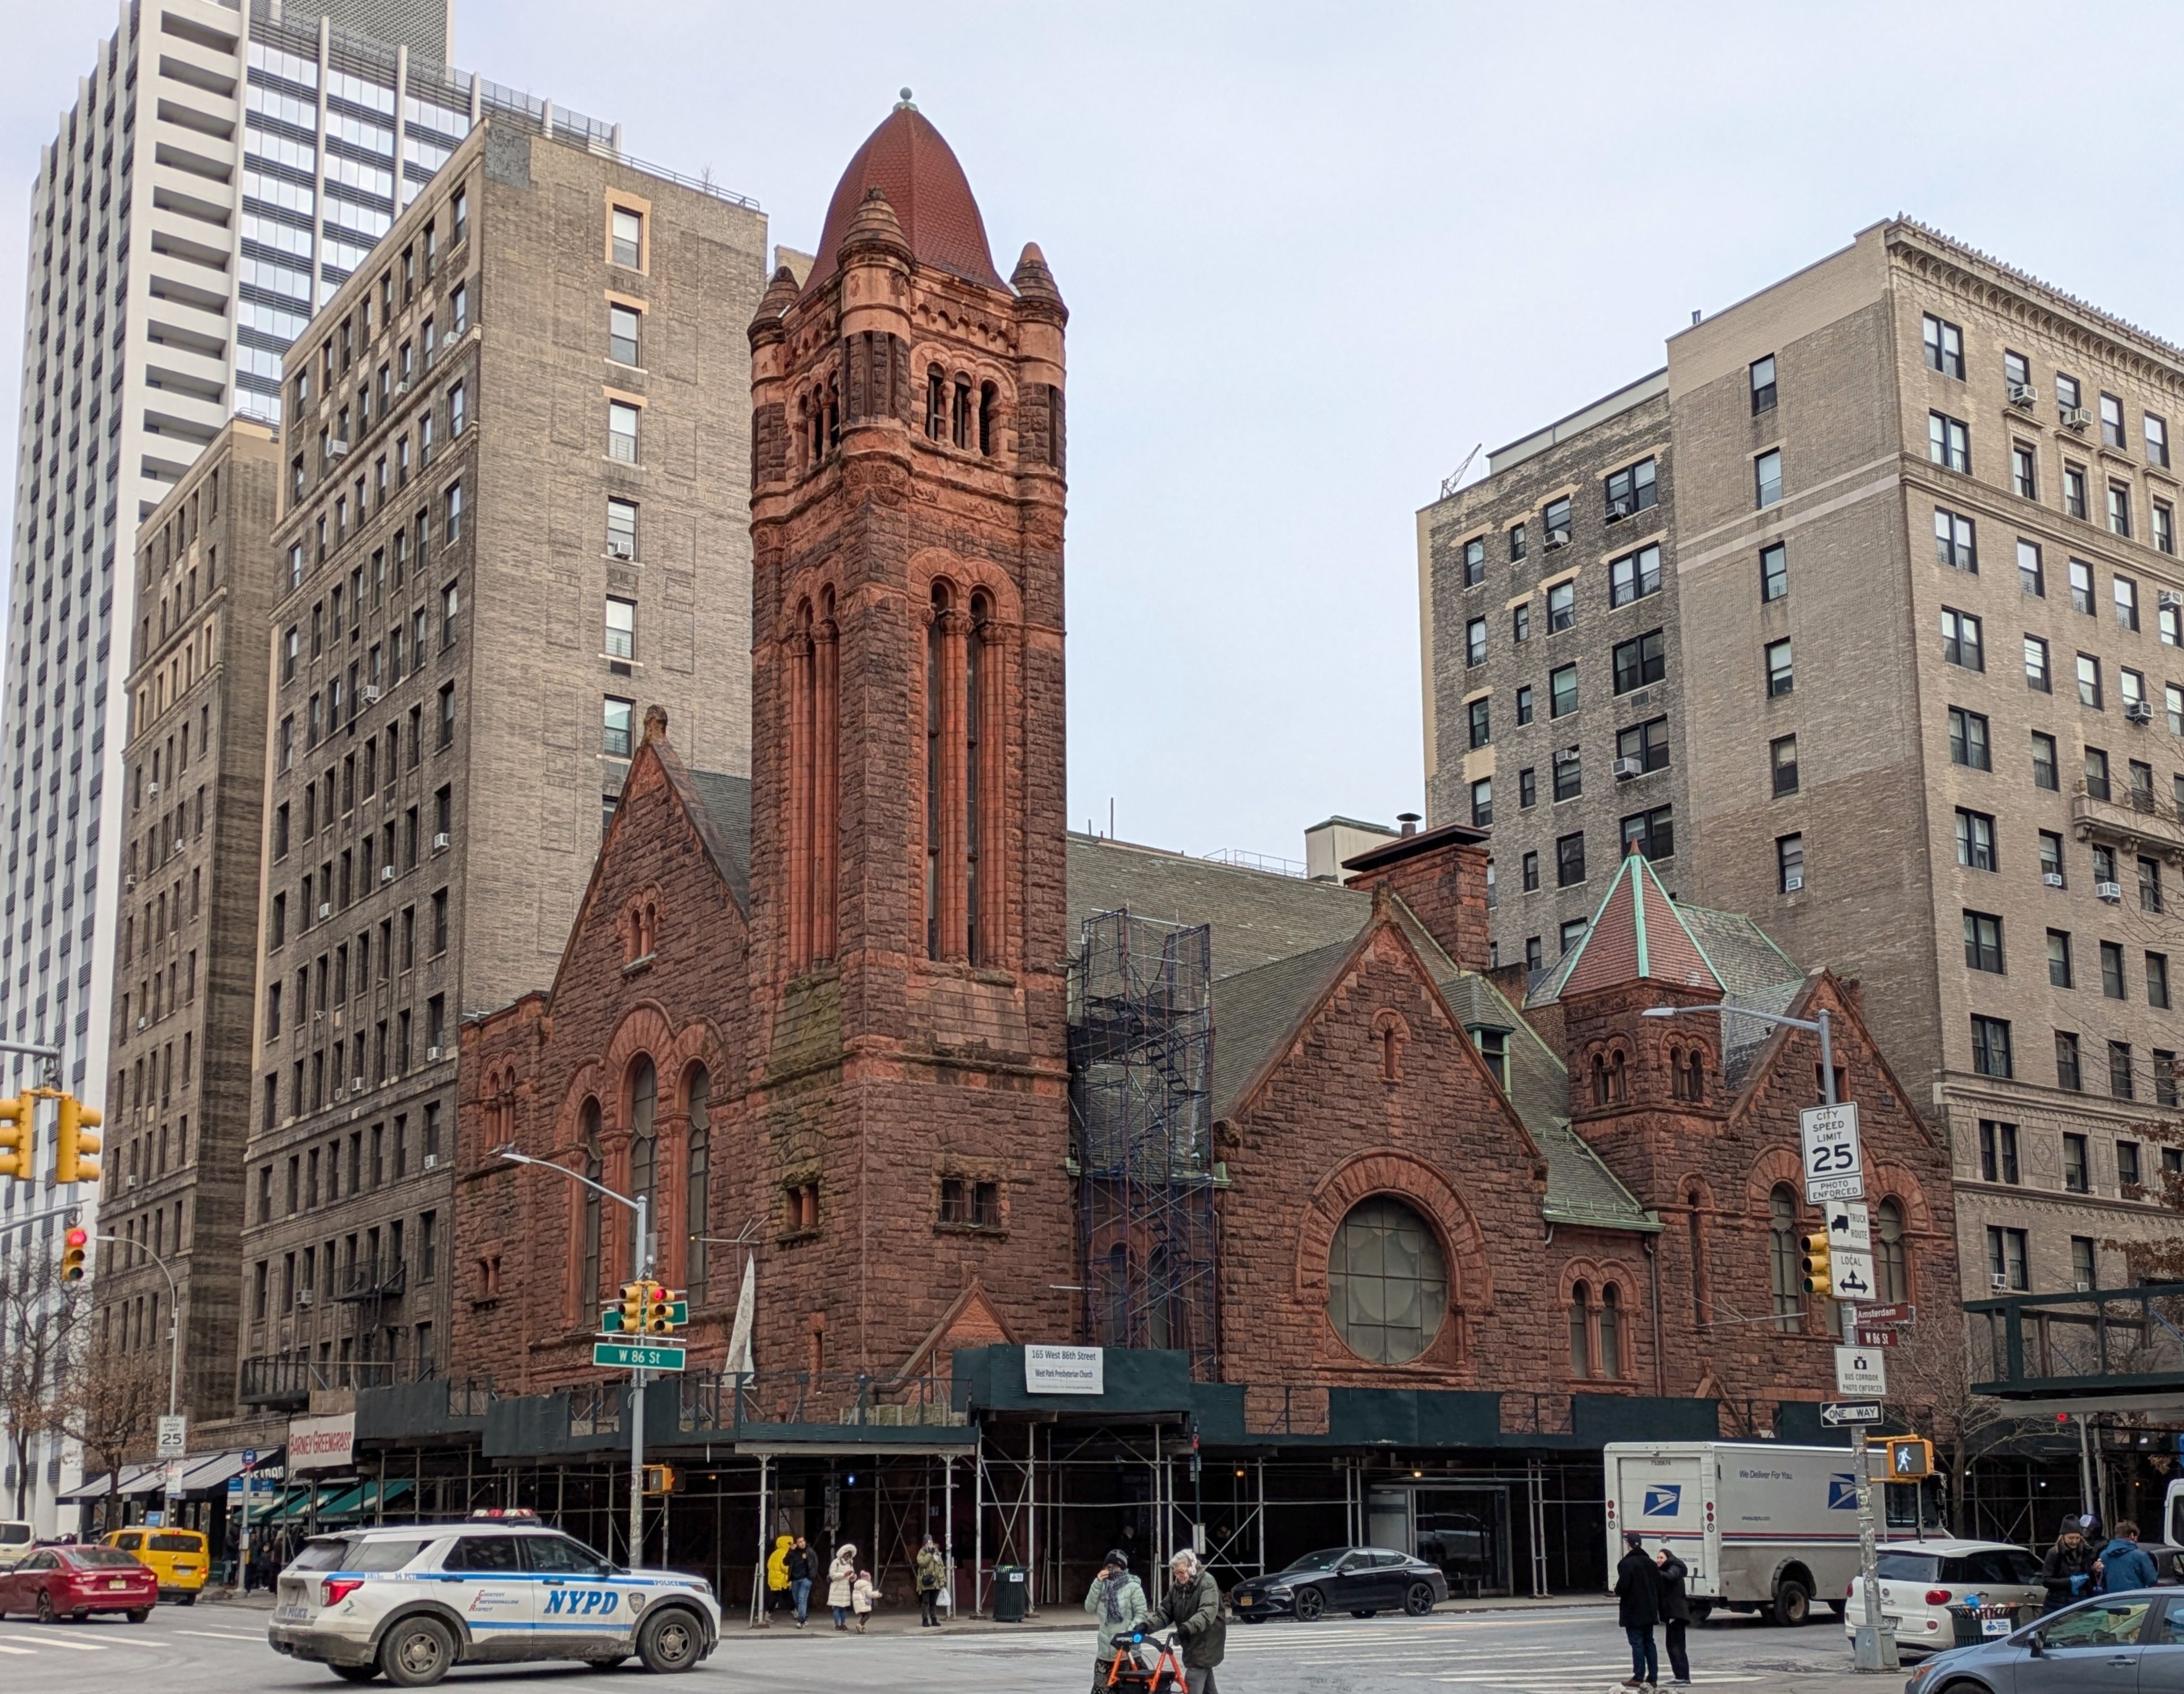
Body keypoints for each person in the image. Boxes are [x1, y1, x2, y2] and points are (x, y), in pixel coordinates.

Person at [1158, 1549, 1225, 1693]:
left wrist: (1186, 1629)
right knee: (1207, 1687)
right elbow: (1164, 1613)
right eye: (1175, 1572)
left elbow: (1207, 1612)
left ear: (1192, 1568)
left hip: (1206, 1642)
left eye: (1181, 1572)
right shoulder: (1176, 1588)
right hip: (1192, 1643)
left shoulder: (1207, 1582)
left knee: (1193, 1679)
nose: (1178, 1576)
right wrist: (1145, 1627)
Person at [1084, 1548, 1148, 1692]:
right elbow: (1089, 1608)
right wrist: (1097, 1583)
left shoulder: (1133, 1587)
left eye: (1116, 1567)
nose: (1111, 1570)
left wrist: (1128, 1633)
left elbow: (1141, 1614)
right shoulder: (1102, 1586)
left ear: (1123, 1568)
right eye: (1108, 1567)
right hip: (1105, 1653)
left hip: (1127, 1652)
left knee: (1130, 1690)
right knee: (1101, 1690)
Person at [1614, 1530, 1662, 1689]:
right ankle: (1653, 1677)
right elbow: (1658, 1584)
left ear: (1628, 1544)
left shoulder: (1627, 1564)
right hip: (1649, 1609)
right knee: (1650, 1642)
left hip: (1633, 1610)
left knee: (1637, 1643)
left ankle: (1638, 1676)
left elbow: (1623, 1587)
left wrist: (1617, 1590)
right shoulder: (1650, 1563)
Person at [2040, 1523, 2103, 1614]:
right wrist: (2070, 1581)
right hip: (2058, 1606)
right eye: (2071, 1538)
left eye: (2078, 1538)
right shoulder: (2054, 1553)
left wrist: (2095, 1569)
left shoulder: (2087, 1552)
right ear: (2063, 1537)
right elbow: (2046, 1581)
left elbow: (2087, 1574)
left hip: (2082, 1604)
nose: (2075, 1541)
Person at [1655, 1544, 1693, 1688]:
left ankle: (1683, 1677)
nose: (1659, 1560)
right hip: (1673, 1614)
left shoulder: (1674, 1566)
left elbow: (1671, 1577)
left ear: (1668, 1558)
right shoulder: (1667, 1568)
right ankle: (1680, 1676)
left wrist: (1655, 1571)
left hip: (1676, 1614)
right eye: (1658, 1558)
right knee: (1672, 1645)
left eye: (1661, 1558)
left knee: (1676, 1646)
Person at [2099, 1520, 2159, 1593]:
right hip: (2136, 1599)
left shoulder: (2104, 1555)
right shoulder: (2141, 1556)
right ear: (2132, 1536)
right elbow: (2152, 1580)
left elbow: (2103, 1582)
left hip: (2113, 1601)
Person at [916, 1533, 948, 1627]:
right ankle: (925, 1620)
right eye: (928, 1542)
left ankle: (934, 1619)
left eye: (931, 1542)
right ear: (925, 1543)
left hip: (936, 1582)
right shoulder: (922, 1552)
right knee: (926, 1602)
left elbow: (940, 1566)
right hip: (926, 1581)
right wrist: (930, 1554)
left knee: (933, 1602)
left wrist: (942, 1580)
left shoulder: (936, 1552)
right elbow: (922, 1563)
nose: (930, 1544)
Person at [827, 1540, 858, 1631]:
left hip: (845, 1588)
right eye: (847, 1555)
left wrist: (853, 1577)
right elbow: (832, 1575)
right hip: (837, 1587)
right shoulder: (836, 1562)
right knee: (836, 1607)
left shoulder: (850, 1563)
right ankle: (837, 1625)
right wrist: (844, 1575)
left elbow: (852, 1574)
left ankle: (843, 1624)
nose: (848, 1557)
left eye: (849, 1555)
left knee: (843, 1608)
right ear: (843, 1554)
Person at [786, 1536, 816, 1627]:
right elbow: (785, 1562)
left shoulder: (809, 1551)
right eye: (799, 1542)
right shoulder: (794, 1553)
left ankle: (801, 1620)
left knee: (801, 1598)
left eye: (803, 1541)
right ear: (796, 1544)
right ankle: (804, 1617)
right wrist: (790, 1551)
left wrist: (811, 1577)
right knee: (797, 1600)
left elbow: (815, 1563)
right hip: (795, 1579)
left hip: (806, 1579)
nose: (802, 1543)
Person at [765, 1534, 791, 1616]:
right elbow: (784, 1567)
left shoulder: (774, 1554)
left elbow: (769, 1565)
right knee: (780, 1597)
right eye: (790, 1543)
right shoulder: (784, 1553)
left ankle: (795, 1613)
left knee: (778, 1597)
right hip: (781, 1580)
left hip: (775, 1579)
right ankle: (795, 1613)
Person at [851, 1567, 876, 1633]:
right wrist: (877, 1594)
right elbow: (869, 1594)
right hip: (864, 1603)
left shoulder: (858, 1584)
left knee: (864, 1615)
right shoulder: (867, 1585)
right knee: (868, 1616)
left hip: (858, 1603)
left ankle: (861, 1628)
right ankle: (860, 1624)